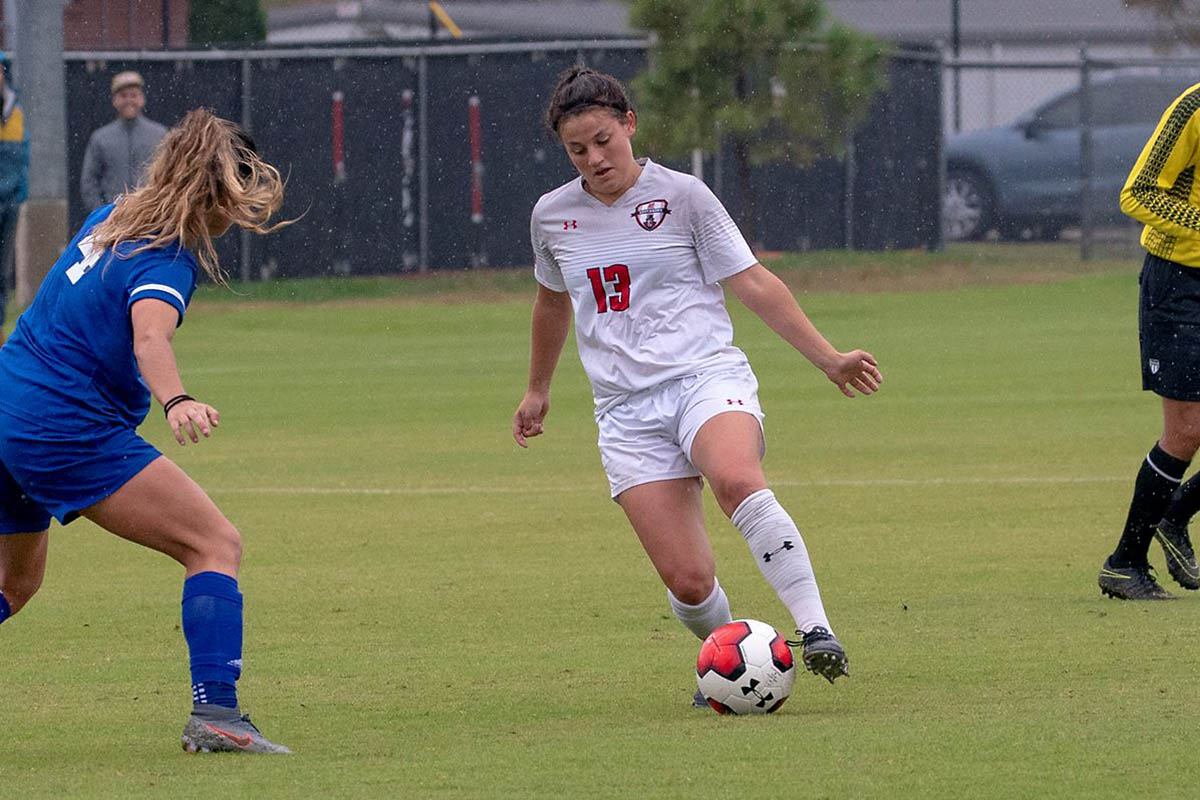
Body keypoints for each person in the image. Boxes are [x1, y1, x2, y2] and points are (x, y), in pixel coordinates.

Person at [512, 67, 882, 698]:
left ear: (629, 124)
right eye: (578, 149)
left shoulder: (684, 196)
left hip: (704, 378)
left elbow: (754, 281)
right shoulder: (552, 216)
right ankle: (737, 660)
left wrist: (828, 358)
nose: (595, 158)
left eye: (604, 140)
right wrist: (538, 388)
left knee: (737, 478)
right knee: (687, 581)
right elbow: (552, 303)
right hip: (625, 410)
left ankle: (817, 629)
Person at [0, 109, 292, 753]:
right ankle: (217, 714)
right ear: (218, 190)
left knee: (12, 587)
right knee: (214, 544)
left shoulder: (110, 218)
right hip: (62, 426)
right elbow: (150, 333)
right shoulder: (169, 256)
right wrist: (177, 398)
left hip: (8, 403)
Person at [1099, 82, 1200, 600]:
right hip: (1180, 287)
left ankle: (1175, 516)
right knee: (1186, 432)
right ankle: (1125, 564)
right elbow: (1136, 192)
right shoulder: (1195, 106)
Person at [80, 70, 167, 212]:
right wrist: (102, 213)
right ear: (114, 100)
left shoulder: (159, 135)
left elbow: (170, 177)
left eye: (133, 95)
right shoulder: (100, 138)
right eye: (123, 96)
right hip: (113, 219)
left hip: (151, 217)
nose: (129, 101)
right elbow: (89, 183)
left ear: (142, 98)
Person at [0, 54, 28, 343]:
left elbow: (21, 159)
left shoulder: (16, 113)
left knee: (3, 273)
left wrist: (19, 194)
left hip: (9, 203)